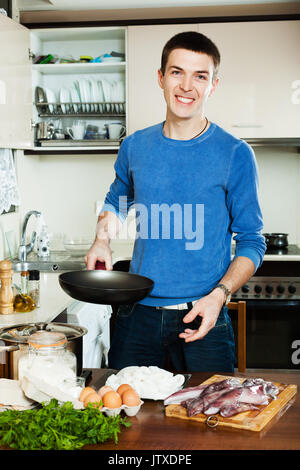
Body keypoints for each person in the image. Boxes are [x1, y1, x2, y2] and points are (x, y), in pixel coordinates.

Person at [85, 31, 266, 372]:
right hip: (135, 315)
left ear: (213, 85)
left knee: (208, 420)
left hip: (203, 314)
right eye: (177, 72)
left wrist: (220, 295)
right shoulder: (134, 146)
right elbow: (116, 201)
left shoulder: (235, 154)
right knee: (127, 419)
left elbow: (252, 242)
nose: (187, 86)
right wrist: (101, 239)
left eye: (200, 76)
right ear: (161, 77)